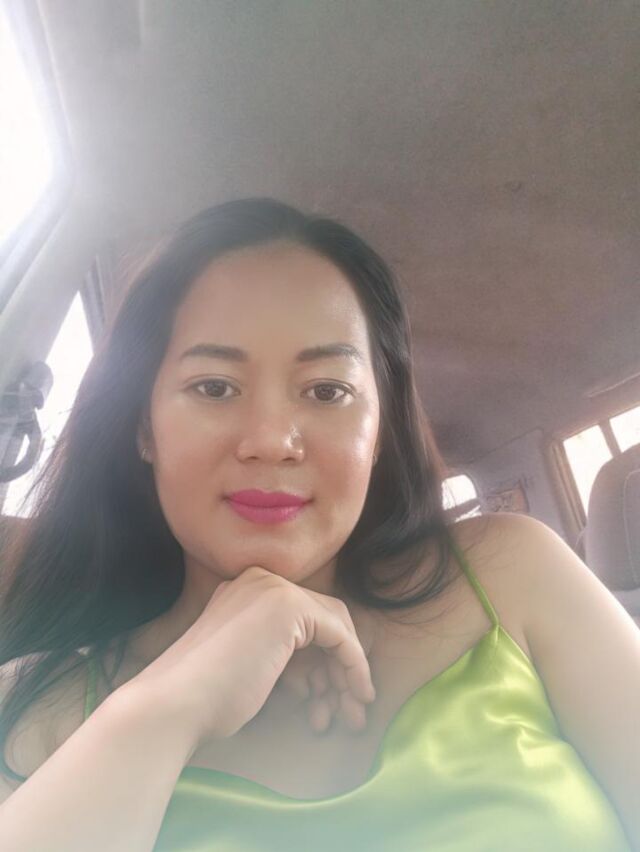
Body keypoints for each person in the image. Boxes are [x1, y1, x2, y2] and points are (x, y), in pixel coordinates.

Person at [0, 198, 637, 851]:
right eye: (214, 387)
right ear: (144, 427)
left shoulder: (511, 574)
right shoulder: (32, 705)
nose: (272, 441)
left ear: (380, 430)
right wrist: (166, 708)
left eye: (327, 390)